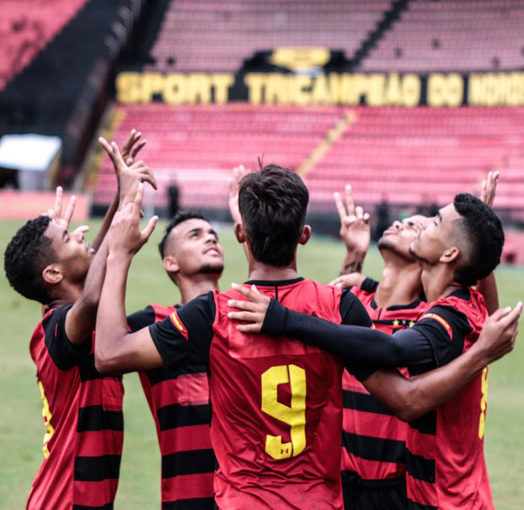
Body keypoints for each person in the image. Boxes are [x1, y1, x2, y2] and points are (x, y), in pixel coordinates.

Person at [95, 165, 374, 509]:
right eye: (195, 236)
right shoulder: (339, 308)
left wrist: (119, 253)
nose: (210, 238)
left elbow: (107, 354)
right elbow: (403, 396)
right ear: (304, 235)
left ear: (239, 234)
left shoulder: (212, 316)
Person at [228, 192, 521, 510]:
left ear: (450, 254)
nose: (418, 223)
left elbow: (395, 355)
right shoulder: (464, 308)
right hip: (416, 491)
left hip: (442, 500)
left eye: (434, 222)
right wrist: (364, 278)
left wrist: (282, 319)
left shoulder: (447, 319)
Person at [3, 131, 155, 510]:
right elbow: (92, 296)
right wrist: (121, 235)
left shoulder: (66, 315)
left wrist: (121, 196)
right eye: (70, 237)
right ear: (53, 275)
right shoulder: (54, 331)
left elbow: (90, 286)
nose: (83, 235)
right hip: (65, 502)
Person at [330, 173, 500, 509]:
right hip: (343, 482)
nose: (401, 223)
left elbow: (486, 319)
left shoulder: (431, 320)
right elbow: (338, 315)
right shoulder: (359, 301)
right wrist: (354, 255)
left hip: (399, 487)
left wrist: (477, 241)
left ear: (440, 254)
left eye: (419, 226)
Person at [127, 211, 224, 509]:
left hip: (249, 499)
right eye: (194, 235)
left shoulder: (247, 314)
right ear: (171, 262)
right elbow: (101, 339)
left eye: (213, 235)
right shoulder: (154, 324)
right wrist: (121, 252)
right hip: (186, 501)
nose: (210, 237)